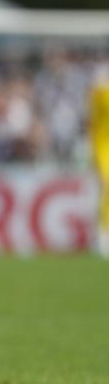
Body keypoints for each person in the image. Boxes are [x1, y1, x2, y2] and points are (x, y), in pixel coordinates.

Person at [90, 63, 109, 257]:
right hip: (105, 147)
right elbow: (94, 121)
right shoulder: (101, 82)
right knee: (107, 189)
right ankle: (103, 235)